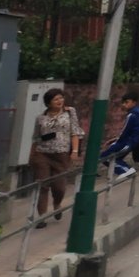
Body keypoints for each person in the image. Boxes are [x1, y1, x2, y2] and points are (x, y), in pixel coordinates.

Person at [29, 88, 82, 221]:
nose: (60, 101)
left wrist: (74, 151)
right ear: (48, 103)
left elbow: (75, 132)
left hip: (61, 154)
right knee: (42, 185)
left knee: (59, 186)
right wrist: (32, 155)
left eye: (61, 98)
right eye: (56, 99)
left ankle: (57, 204)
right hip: (42, 154)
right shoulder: (41, 118)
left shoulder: (70, 113)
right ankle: (42, 217)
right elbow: (36, 138)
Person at [100, 91, 139, 180]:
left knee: (105, 156)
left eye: (127, 102)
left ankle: (125, 170)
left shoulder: (132, 115)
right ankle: (125, 170)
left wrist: (117, 141)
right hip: (135, 140)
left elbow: (125, 131)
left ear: (134, 102)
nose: (124, 105)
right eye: (123, 102)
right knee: (115, 156)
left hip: (130, 141)